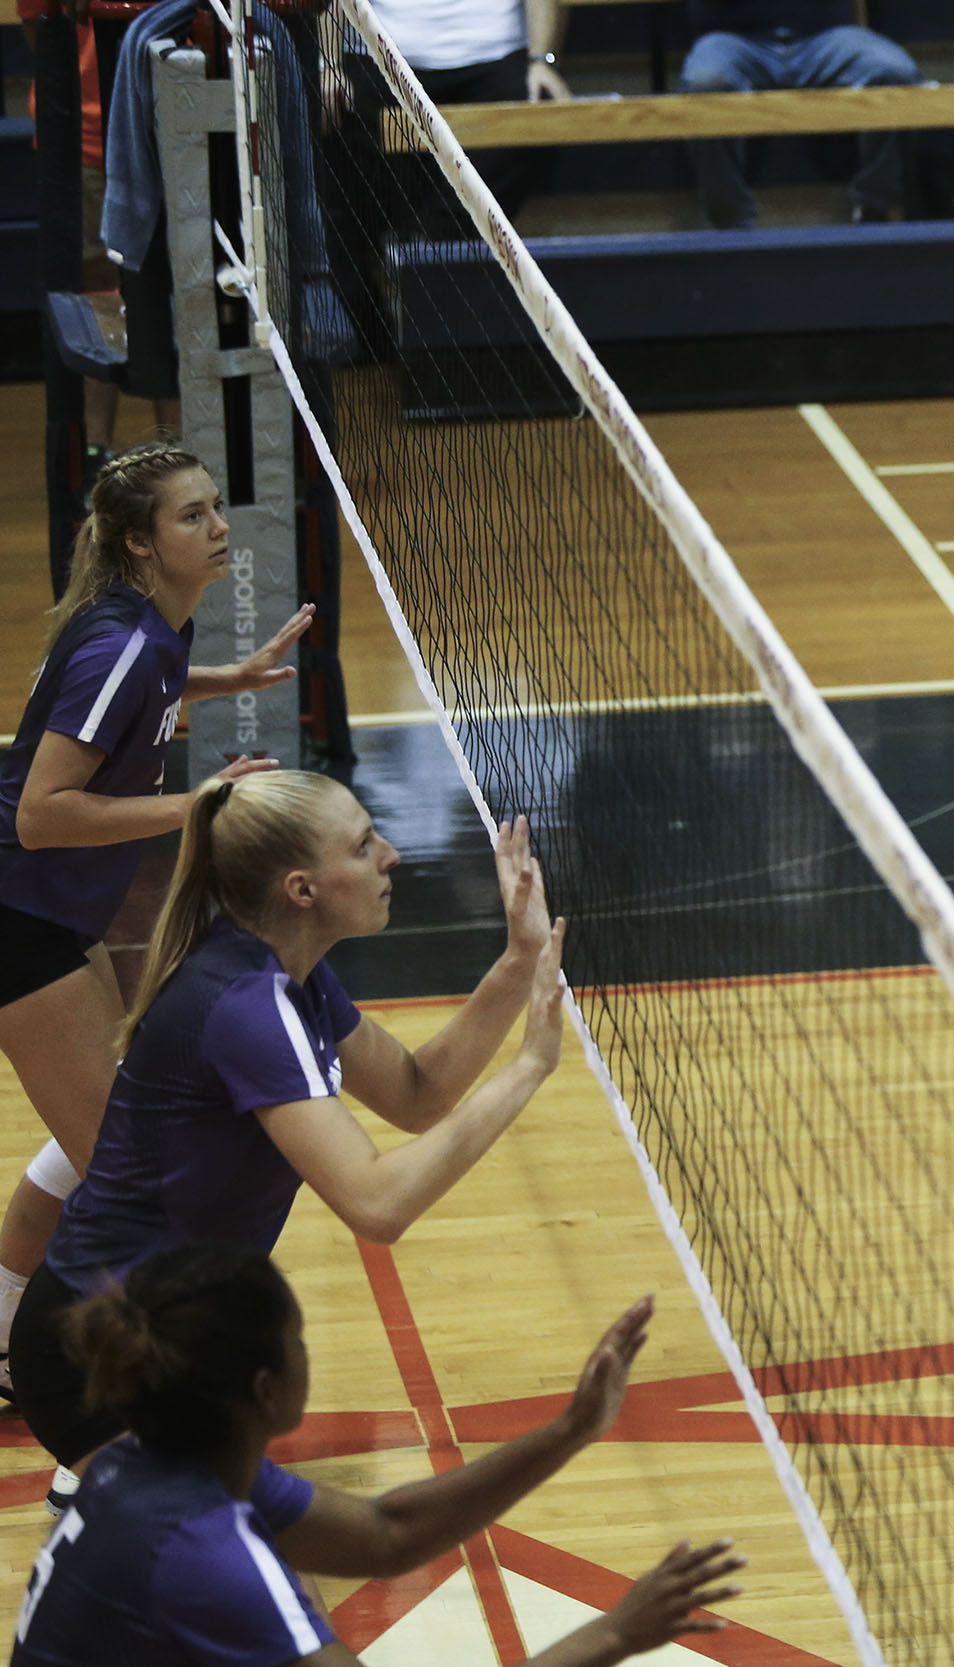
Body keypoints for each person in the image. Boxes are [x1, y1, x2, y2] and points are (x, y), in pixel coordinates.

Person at [8, 771, 569, 1499]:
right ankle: (110, 1495)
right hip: (96, 1355)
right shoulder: (249, 1006)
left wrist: (519, 961)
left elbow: (414, 1093)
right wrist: (527, 1067)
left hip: (173, 1342)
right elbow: (378, 1205)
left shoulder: (286, 973)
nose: (392, 854)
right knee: (252, 1575)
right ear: (301, 889)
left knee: (255, 1563)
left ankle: (117, 1502)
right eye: (365, 845)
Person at [11, 1240, 746, 1666]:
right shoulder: (208, 1555)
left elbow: (387, 1532)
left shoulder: (147, 1459)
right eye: (300, 1338)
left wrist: (573, 1428)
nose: (311, 1350)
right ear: (266, 1389)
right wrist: (615, 1632)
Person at [0, 446, 313, 1405]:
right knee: (126, 1184)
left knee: (113, 1137)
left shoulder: (151, 630)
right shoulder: (123, 645)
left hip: (57, 919)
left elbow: (148, 703)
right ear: (140, 542)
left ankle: (5, 1327)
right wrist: (200, 805)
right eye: (191, 517)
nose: (219, 527)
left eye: (216, 508)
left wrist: (231, 678)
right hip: (19, 923)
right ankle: (69, 1376)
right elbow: (40, 814)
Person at [679, 0, 923, 228]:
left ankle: (874, 207)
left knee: (894, 73)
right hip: (733, 38)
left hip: (825, 36)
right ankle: (731, 222)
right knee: (706, 83)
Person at [359, 0, 573, 221]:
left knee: (537, 105)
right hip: (383, 57)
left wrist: (542, 61)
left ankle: (445, 235)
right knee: (345, 109)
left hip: (498, 55)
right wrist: (328, 65)